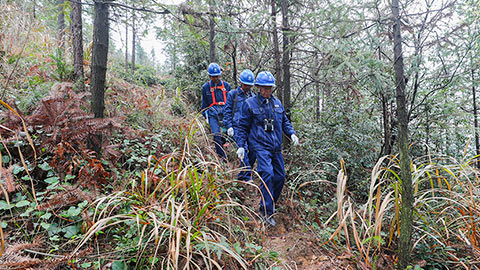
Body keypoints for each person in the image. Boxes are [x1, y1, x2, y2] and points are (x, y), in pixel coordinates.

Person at [236, 71, 299, 227]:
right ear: (258, 87)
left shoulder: (277, 103)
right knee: (267, 175)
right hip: (260, 146)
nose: (267, 91)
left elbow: (285, 122)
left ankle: (270, 201)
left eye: (269, 88)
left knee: (280, 177)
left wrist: (292, 134)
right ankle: (266, 213)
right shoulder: (250, 104)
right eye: (264, 88)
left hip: (276, 147)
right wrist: (241, 146)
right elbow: (242, 127)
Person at [224, 69, 256, 182]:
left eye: (250, 85)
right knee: (243, 150)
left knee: (253, 151)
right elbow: (227, 110)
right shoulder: (233, 94)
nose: (248, 87)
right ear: (241, 83)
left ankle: (242, 175)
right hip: (237, 127)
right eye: (246, 84)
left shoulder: (253, 96)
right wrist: (229, 126)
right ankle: (248, 176)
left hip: (251, 128)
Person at [201, 63, 231, 159]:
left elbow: (231, 103)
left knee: (229, 135)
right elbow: (204, 104)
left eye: (217, 76)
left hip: (225, 113)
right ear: (209, 76)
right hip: (212, 114)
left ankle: (231, 153)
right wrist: (206, 116)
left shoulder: (226, 86)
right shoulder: (205, 88)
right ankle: (222, 158)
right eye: (213, 76)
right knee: (216, 135)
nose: (215, 78)